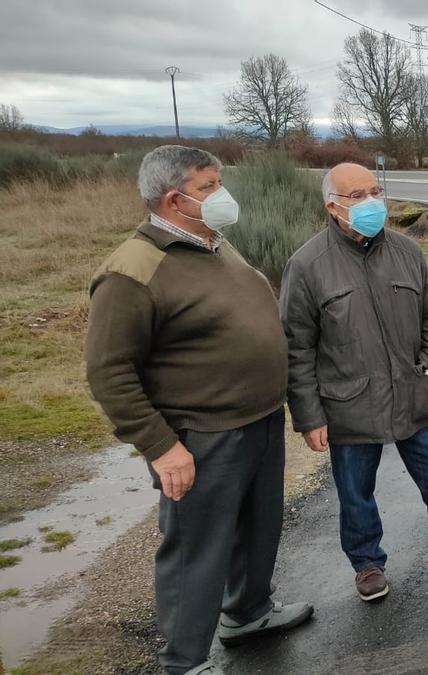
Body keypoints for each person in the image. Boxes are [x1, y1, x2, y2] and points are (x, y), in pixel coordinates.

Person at [85, 145, 312, 675]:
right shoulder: (133, 271)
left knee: (258, 528)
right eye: (209, 186)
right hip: (199, 434)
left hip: (257, 419)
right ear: (173, 198)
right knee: (197, 548)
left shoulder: (214, 244)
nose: (222, 195)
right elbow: (109, 371)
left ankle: (248, 613)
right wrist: (162, 448)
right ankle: (184, 660)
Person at [280, 162, 428, 603]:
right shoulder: (307, 265)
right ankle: (367, 563)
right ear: (332, 206)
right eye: (357, 195)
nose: (371, 201)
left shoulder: (407, 251)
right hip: (349, 402)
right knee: (356, 493)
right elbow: (296, 348)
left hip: (414, 393)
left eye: (375, 190)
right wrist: (308, 416)